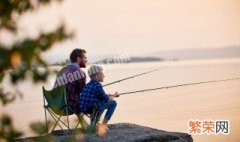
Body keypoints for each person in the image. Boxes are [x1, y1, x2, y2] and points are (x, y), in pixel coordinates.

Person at [79, 65, 119, 131]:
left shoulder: (88, 85)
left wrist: (109, 95)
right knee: (113, 103)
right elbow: (106, 99)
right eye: (102, 74)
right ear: (97, 76)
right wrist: (114, 95)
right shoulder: (98, 85)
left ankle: (93, 124)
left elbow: (99, 95)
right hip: (92, 108)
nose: (104, 75)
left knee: (100, 102)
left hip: (83, 109)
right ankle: (103, 125)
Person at [53, 48, 87, 114]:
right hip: (70, 106)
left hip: (56, 105)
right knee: (95, 102)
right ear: (78, 59)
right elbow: (84, 92)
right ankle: (94, 124)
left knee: (75, 96)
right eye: (85, 58)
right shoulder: (79, 72)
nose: (86, 60)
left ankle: (84, 124)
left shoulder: (62, 70)